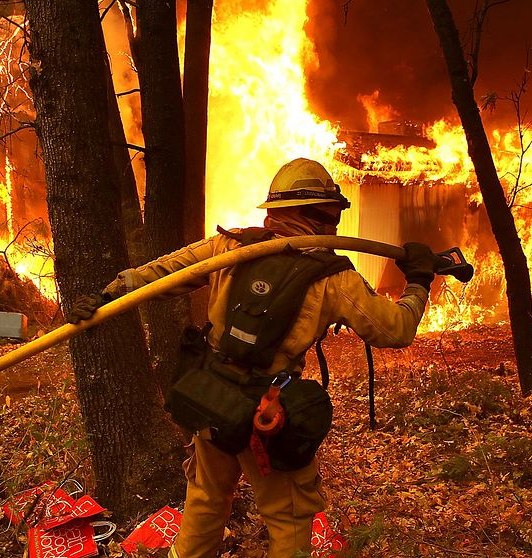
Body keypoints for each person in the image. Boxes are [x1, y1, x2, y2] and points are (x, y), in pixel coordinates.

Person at [66, 158, 436, 558]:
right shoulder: (333, 277)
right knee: (289, 516)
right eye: (331, 216)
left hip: (213, 400)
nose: (334, 227)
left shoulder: (230, 249)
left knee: (206, 500)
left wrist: (108, 295)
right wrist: (418, 280)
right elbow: (395, 329)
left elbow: (162, 273)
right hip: (269, 416)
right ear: (313, 214)